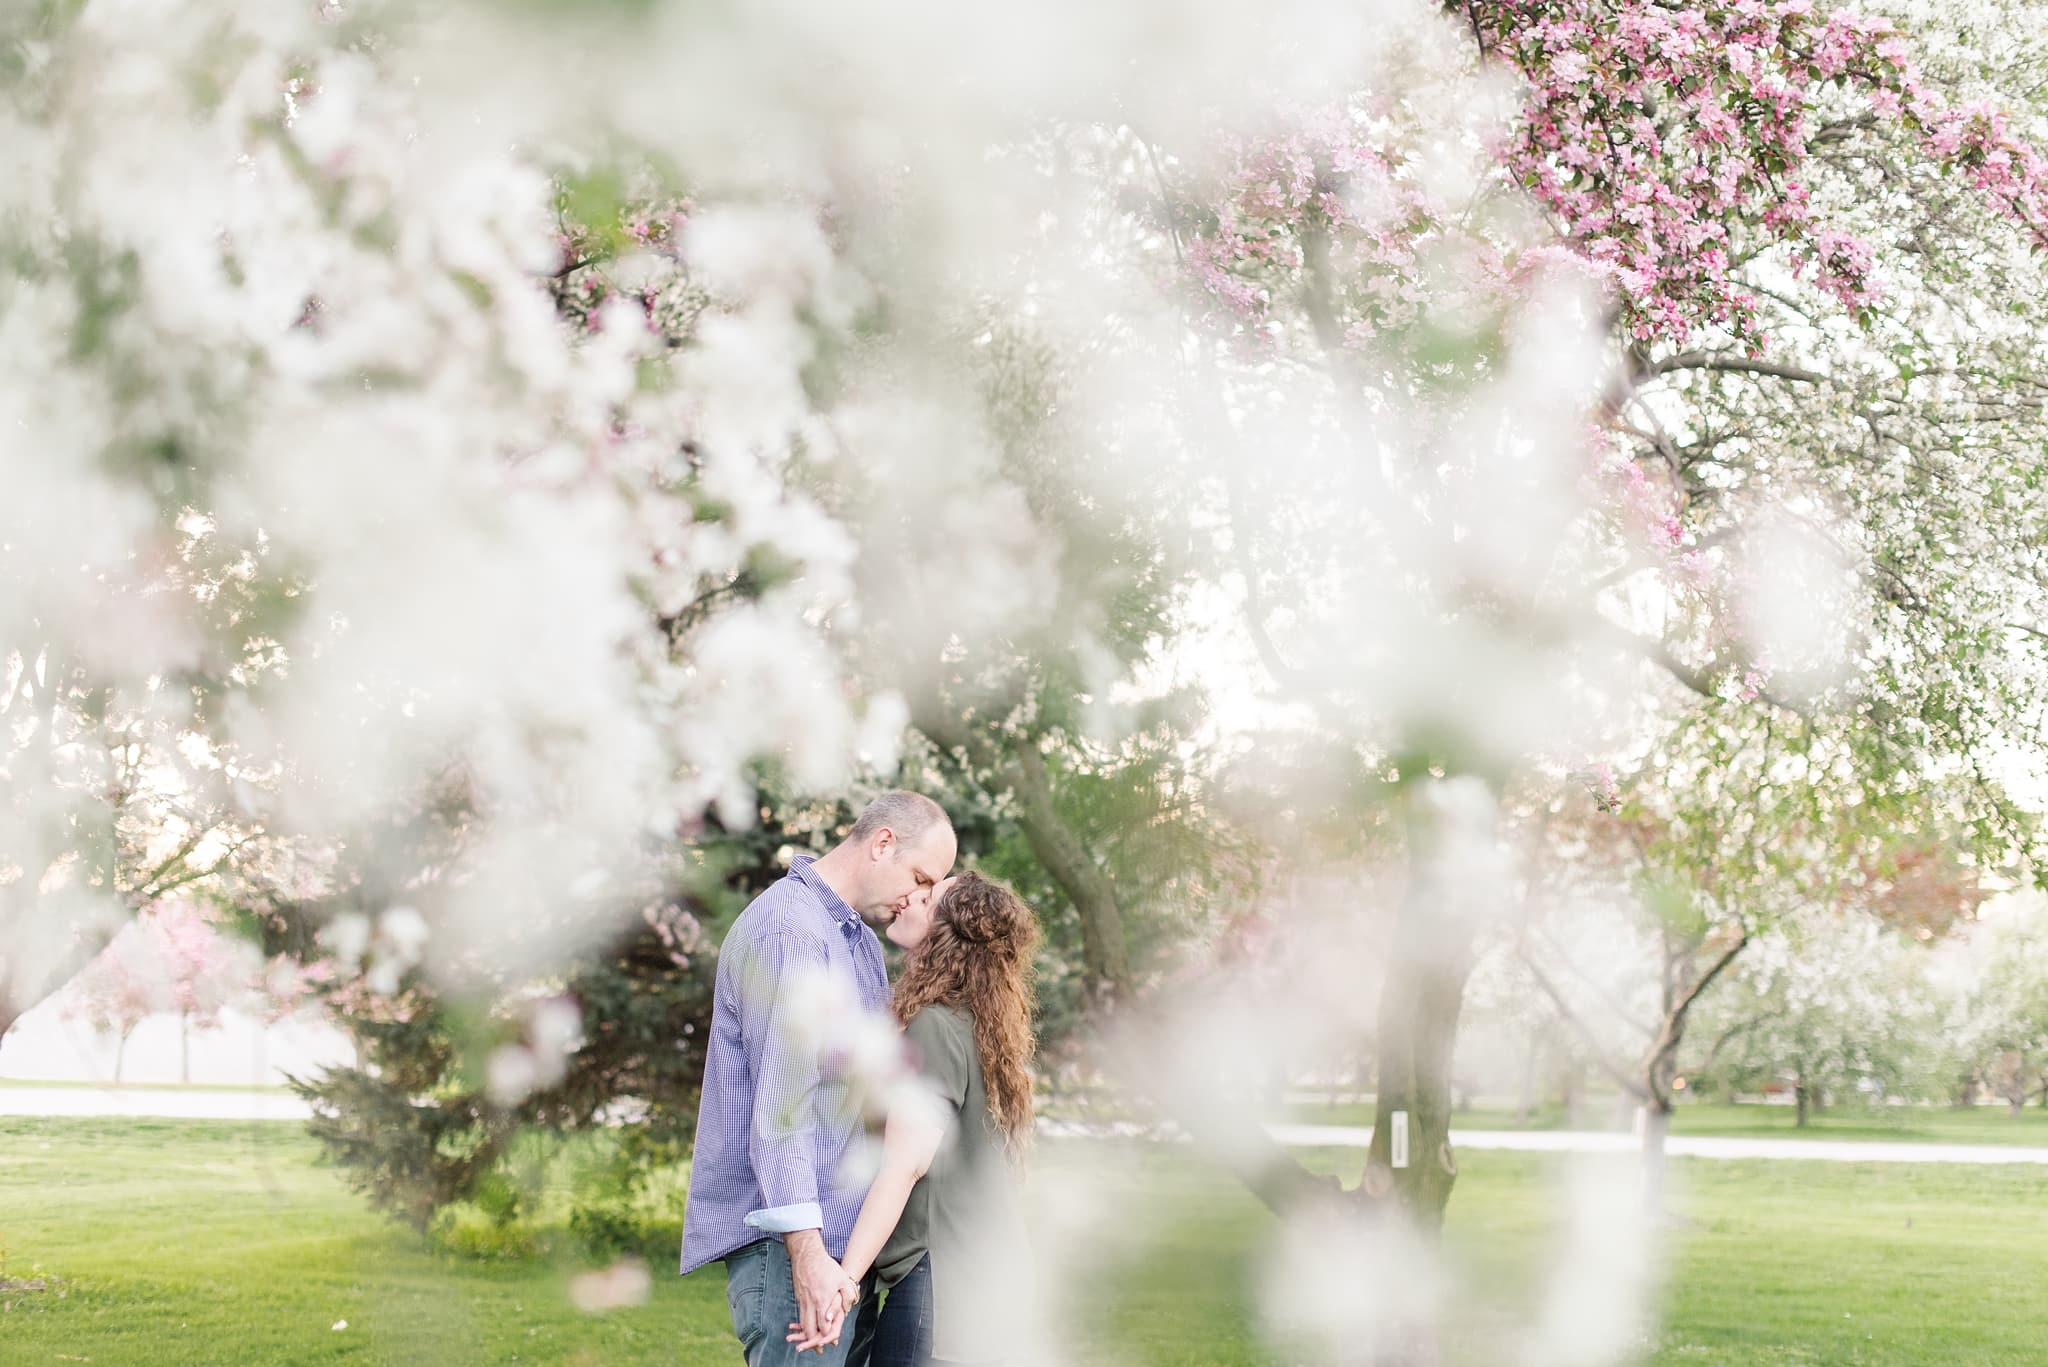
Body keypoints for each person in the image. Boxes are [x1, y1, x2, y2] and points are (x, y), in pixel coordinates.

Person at [681, 791, 958, 1367]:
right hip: (794, 1253)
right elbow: (782, 1107)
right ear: (883, 843)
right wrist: (807, 1255)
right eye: (921, 877)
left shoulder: (854, 941)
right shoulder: (791, 932)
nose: (919, 898)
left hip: (838, 1255)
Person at [789, 869, 1040, 1366]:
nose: (909, 898)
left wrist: (844, 1280)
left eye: (927, 898)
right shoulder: (975, 1026)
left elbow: (906, 1165)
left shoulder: (937, 1025)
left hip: (944, 1281)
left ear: (945, 932)